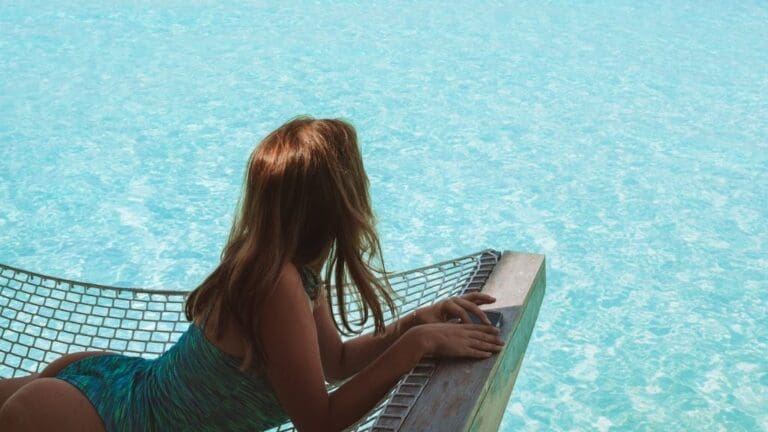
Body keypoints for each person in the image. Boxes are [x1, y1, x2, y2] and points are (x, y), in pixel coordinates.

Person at [0, 116, 505, 431]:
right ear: (336, 201)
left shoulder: (297, 271)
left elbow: (336, 361)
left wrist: (415, 324)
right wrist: (417, 349)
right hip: (89, 417)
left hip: (104, 387)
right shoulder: (275, 285)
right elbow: (319, 422)